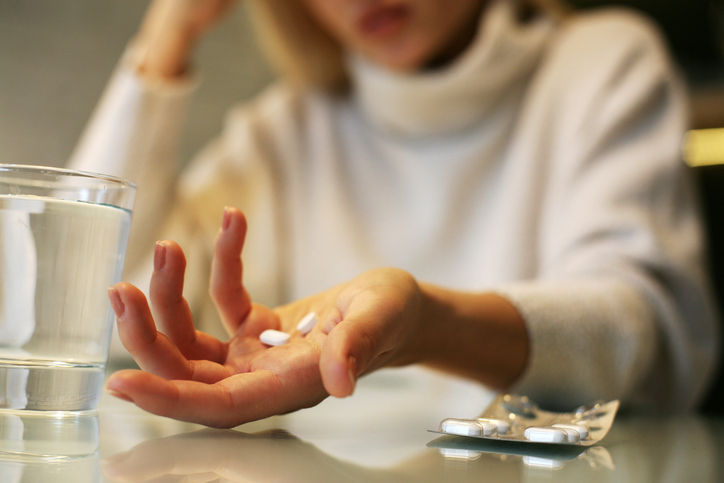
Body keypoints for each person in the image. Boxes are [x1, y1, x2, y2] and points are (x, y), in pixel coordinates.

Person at [70, 0, 719, 428]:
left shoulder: (601, 65)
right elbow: (90, 309)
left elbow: (647, 333)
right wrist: (167, 34)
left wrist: (426, 324)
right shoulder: (287, 130)